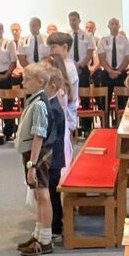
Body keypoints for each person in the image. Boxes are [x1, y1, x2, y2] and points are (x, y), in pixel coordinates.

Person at [14, 63, 55, 256]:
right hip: (32, 154)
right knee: (38, 195)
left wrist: (32, 164)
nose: (23, 83)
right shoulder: (34, 100)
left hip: (37, 155)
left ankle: (45, 240)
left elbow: (39, 136)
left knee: (43, 195)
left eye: (27, 79)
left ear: (40, 81)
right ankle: (38, 234)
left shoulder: (39, 104)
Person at [41, 62, 70, 241]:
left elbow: (49, 137)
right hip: (53, 156)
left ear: (51, 86)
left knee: (52, 193)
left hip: (52, 157)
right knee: (51, 191)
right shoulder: (50, 104)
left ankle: (56, 227)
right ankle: (54, 224)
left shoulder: (53, 108)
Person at [46, 35, 79, 172]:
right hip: (63, 112)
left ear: (65, 47)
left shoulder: (68, 67)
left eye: (54, 47)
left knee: (64, 147)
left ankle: (66, 174)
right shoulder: (63, 64)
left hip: (66, 111)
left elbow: (64, 92)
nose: (51, 51)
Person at [95, 18, 129, 114]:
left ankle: (119, 121)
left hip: (121, 72)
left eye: (116, 24)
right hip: (107, 73)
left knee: (122, 102)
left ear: (119, 26)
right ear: (108, 26)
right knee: (104, 102)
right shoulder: (103, 40)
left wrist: (118, 71)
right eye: (112, 24)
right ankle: (105, 121)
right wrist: (110, 71)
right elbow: (101, 58)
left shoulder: (125, 40)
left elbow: (128, 57)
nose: (114, 26)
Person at [67, 11, 96, 135]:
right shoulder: (67, 36)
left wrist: (81, 65)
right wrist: (72, 66)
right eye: (70, 20)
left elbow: (90, 53)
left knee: (85, 98)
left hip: (83, 69)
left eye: (74, 20)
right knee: (70, 98)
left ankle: (86, 127)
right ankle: (72, 127)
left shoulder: (87, 36)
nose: (72, 22)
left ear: (79, 21)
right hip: (70, 69)